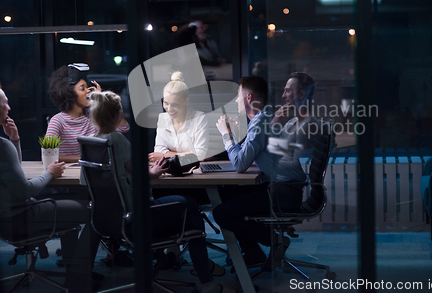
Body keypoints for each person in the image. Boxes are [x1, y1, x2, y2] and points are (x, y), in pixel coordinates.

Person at [89, 90, 228, 293]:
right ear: (117, 114)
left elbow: (92, 181)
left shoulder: (93, 141)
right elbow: (139, 177)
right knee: (190, 210)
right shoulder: (118, 140)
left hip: (107, 221)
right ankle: (207, 283)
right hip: (134, 219)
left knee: (181, 205)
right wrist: (152, 174)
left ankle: (169, 261)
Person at [0, 87, 100, 293]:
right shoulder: (2, 146)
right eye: (5, 103)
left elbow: (14, 173)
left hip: (6, 219)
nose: (9, 107)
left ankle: (76, 273)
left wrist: (15, 141)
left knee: (72, 207)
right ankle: (79, 279)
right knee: (96, 213)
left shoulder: (4, 145)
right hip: (21, 217)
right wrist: (50, 173)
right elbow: (25, 190)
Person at [212, 76, 306, 271]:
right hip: (284, 189)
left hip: (283, 194)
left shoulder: (260, 122)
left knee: (221, 213)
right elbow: (246, 156)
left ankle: (275, 241)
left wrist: (226, 135)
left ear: (248, 97)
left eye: (238, 96)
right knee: (226, 194)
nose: (236, 101)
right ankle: (253, 253)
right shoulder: (263, 119)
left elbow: (239, 164)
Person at [46, 63, 129, 163]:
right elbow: (47, 156)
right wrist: (83, 158)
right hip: (67, 174)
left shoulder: (93, 115)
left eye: (87, 87)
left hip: (95, 172)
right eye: (82, 88)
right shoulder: (57, 121)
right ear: (69, 93)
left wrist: (102, 101)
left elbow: (124, 128)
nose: (88, 91)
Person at [148, 71, 209, 163]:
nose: (169, 109)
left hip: (195, 170)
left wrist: (165, 155)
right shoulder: (163, 118)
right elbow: (158, 150)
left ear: (186, 101)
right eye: (166, 103)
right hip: (170, 168)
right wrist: (190, 154)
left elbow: (200, 155)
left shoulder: (199, 118)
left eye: (175, 104)